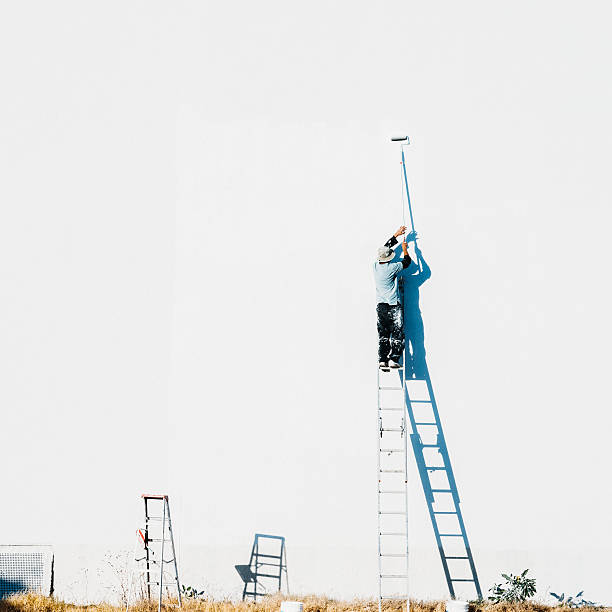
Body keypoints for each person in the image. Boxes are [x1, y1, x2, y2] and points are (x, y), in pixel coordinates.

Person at [374, 226, 412, 370]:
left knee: (383, 334)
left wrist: (396, 234)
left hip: (381, 307)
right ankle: (394, 359)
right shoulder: (393, 267)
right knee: (397, 332)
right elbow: (407, 262)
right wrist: (404, 248)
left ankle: (383, 360)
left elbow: (385, 248)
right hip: (393, 306)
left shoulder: (375, 266)